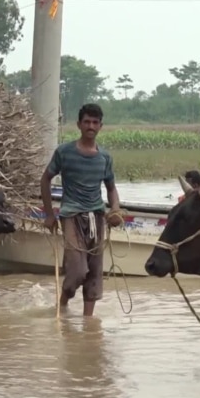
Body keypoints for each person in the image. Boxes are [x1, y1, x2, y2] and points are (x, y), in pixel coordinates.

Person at [40, 103, 123, 317]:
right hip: (71, 216)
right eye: (87, 121)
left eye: (95, 122)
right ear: (79, 124)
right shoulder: (64, 152)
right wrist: (49, 214)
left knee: (94, 272)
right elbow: (46, 179)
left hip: (96, 217)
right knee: (77, 272)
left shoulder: (104, 157)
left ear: (100, 126)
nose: (91, 126)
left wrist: (115, 210)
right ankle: (63, 303)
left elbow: (111, 189)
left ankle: (88, 324)